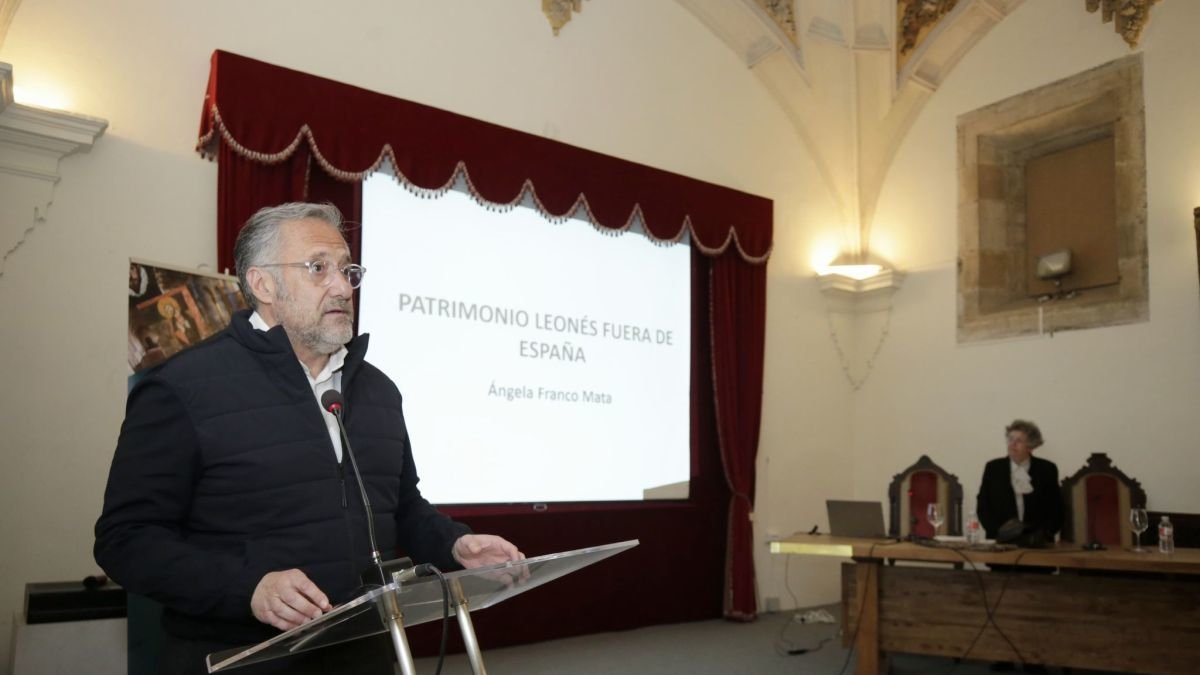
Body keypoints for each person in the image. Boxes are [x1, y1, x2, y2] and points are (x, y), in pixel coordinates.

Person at [96, 202, 523, 675]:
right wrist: (248, 587)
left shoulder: (378, 390)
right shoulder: (183, 388)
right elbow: (126, 541)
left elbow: (400, 509)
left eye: (347, 270)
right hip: (238, 658)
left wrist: (454, 546)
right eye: (318, 268)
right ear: (263, 285)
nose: (342, 286)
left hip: (367, 652)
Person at [976, 419, 1064, 546]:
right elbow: (983, 506)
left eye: (1019, 441)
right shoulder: (993, 468)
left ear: (1031, 445)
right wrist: (997, 533)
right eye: (1010, 439)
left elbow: (1057, 509)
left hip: (1038, 544)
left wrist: (1045, 534)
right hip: (1001, 543)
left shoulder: (1047, 469)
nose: (1012, 444)